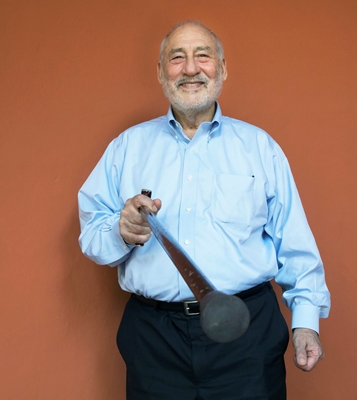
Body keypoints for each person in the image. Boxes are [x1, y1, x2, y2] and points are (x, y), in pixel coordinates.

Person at [78, 20, 330, 400]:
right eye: (177, 58)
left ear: (222, 68)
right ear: (160, 72)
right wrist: (120, 231)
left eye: (203, 56)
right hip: (154, 342)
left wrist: (306, 323)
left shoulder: (260, 148)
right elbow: (91, 237)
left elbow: (295, 245)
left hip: (247, 338)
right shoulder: (126, 148)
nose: (191, 68)